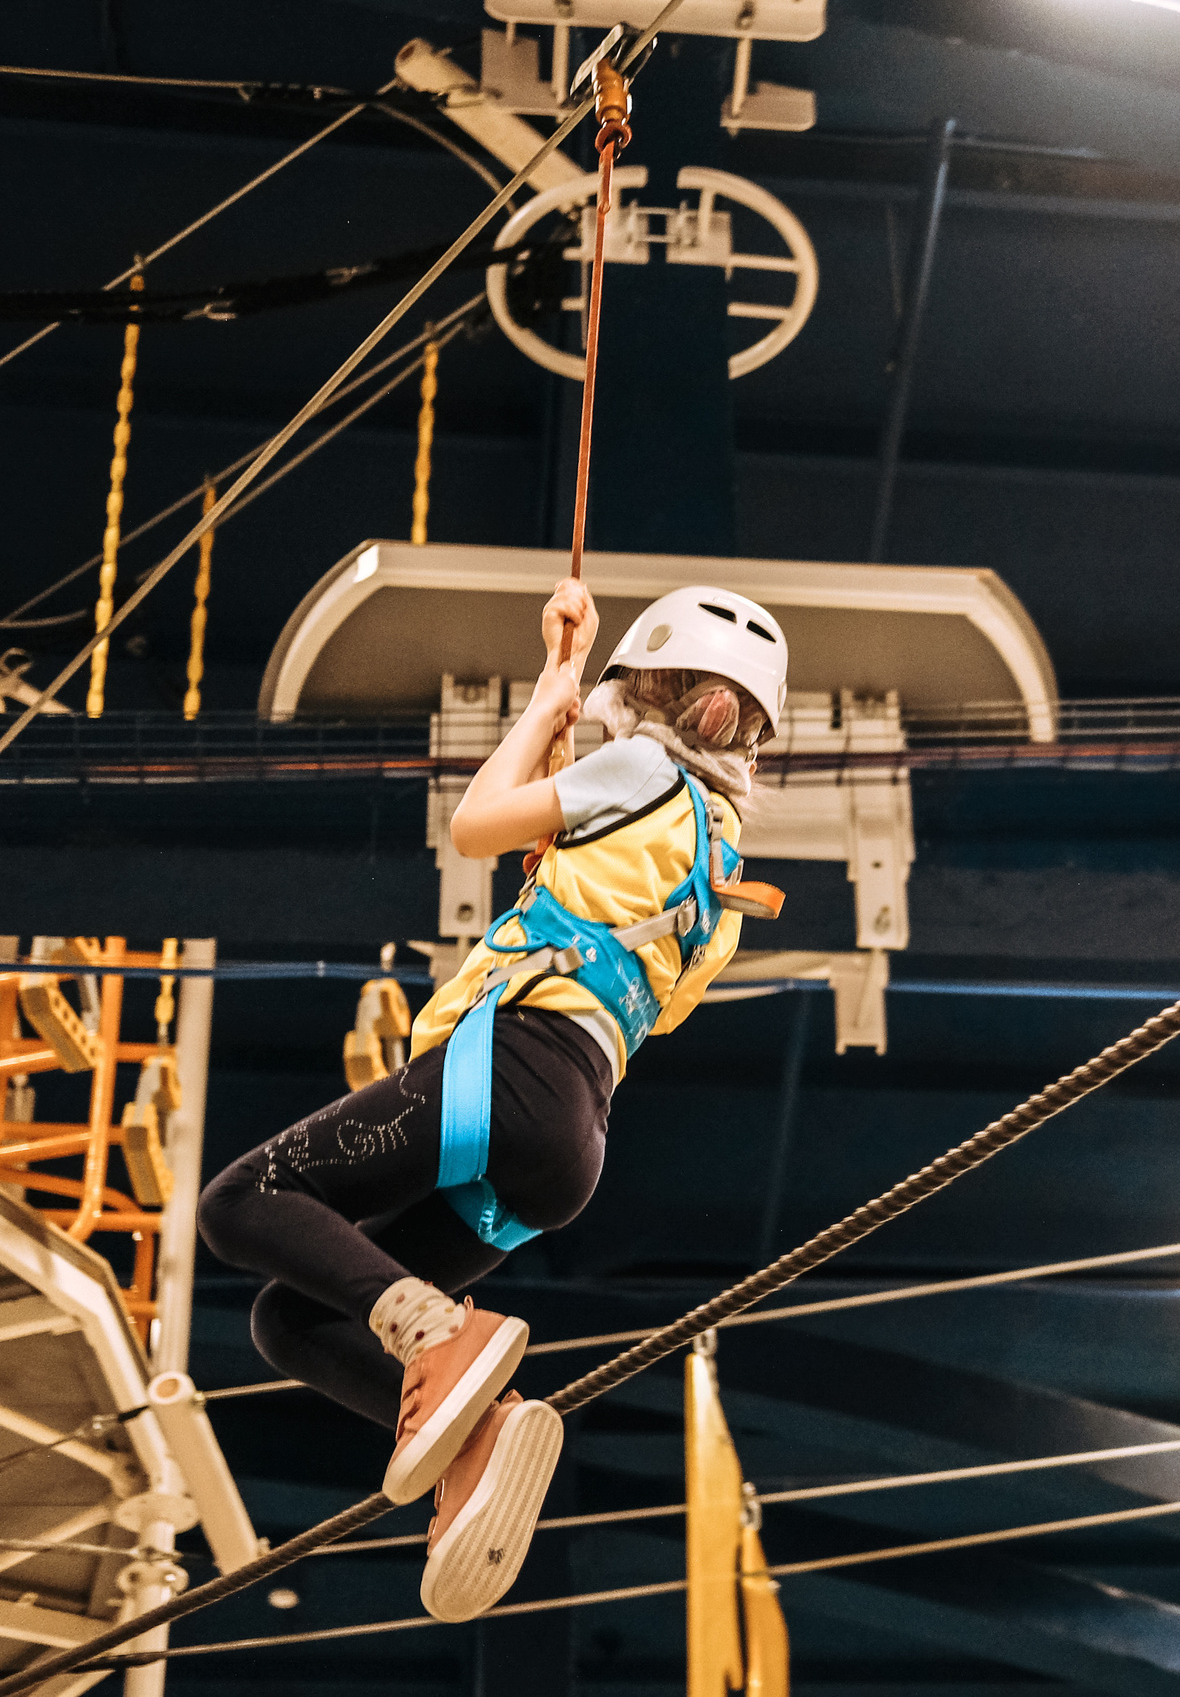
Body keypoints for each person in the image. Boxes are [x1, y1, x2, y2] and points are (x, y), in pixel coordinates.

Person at [198, 579, 787, 1622]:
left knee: (242, 1202)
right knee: (290, 1320)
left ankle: (438, 1336)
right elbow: (628, 970)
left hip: (511, 1074)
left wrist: (550, 697)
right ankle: (476, 1437)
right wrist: (562, 698)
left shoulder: (641, 767)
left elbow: (475, 825)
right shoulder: (723, 871)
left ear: (663, 698)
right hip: (568, 1145)